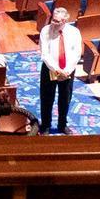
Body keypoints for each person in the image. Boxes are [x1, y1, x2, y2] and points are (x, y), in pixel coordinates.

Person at [37, 7, 83, 135]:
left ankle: (62, 124)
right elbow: (45, 54)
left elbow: (76, 53)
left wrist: (67, 70)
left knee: (65, 98)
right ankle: (46, 125)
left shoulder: (74, 32)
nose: (54, 23)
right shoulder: (46, 31)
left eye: (57, 21)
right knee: (47, 98)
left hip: (68, 70)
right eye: (53, 20)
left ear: (65, 21)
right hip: (50, 68)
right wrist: (57, 70)